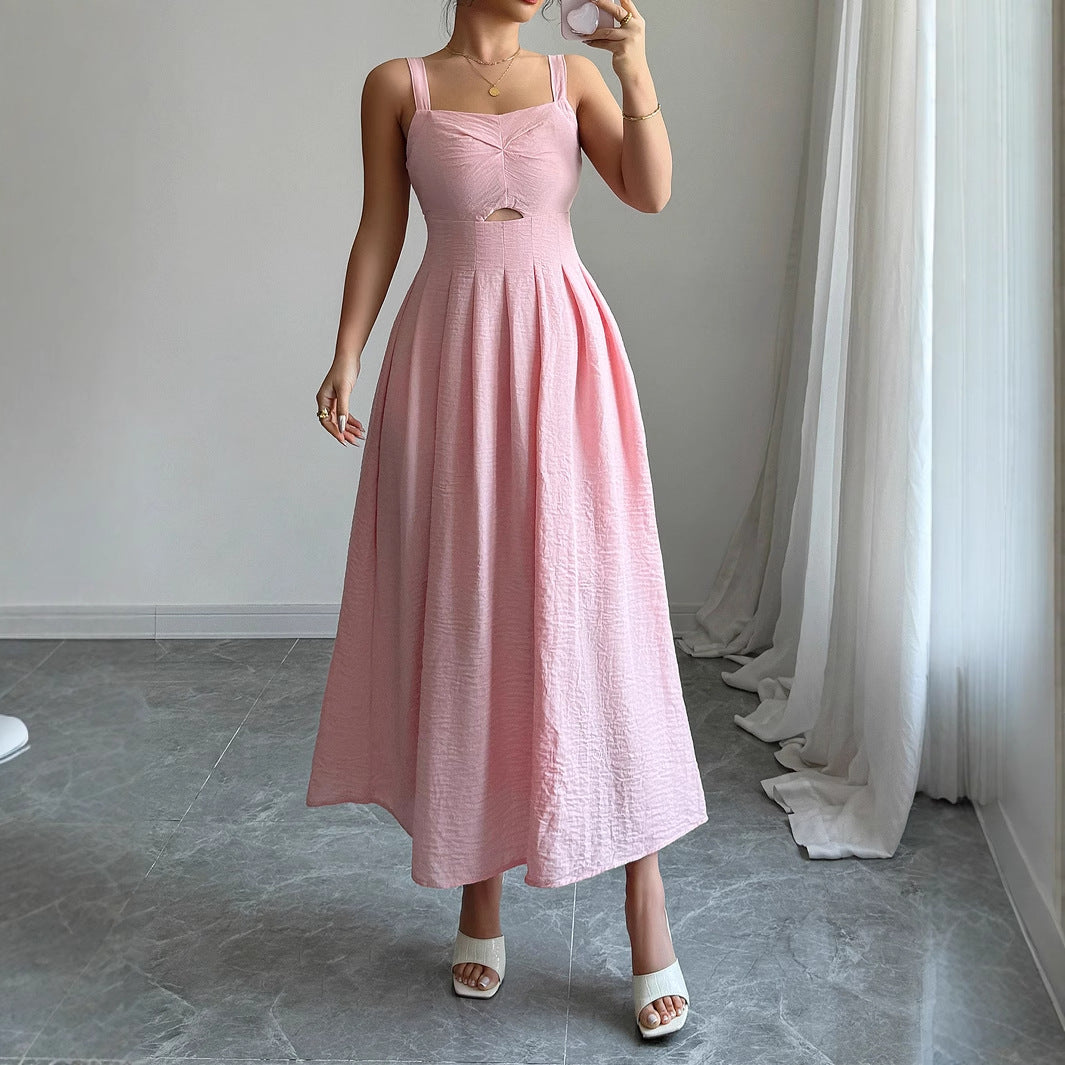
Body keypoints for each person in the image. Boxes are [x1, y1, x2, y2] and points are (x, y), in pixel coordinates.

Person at [305, 0, 707, 1038]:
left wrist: (635, 66)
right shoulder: (398, 85)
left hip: (563, 358)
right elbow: (381, 225)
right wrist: (347, 350)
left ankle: (645, 902)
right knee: (471, 616)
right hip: (448, 359)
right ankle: (476, 887)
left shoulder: (574, 80)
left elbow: (650, 191)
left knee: (599, 624)